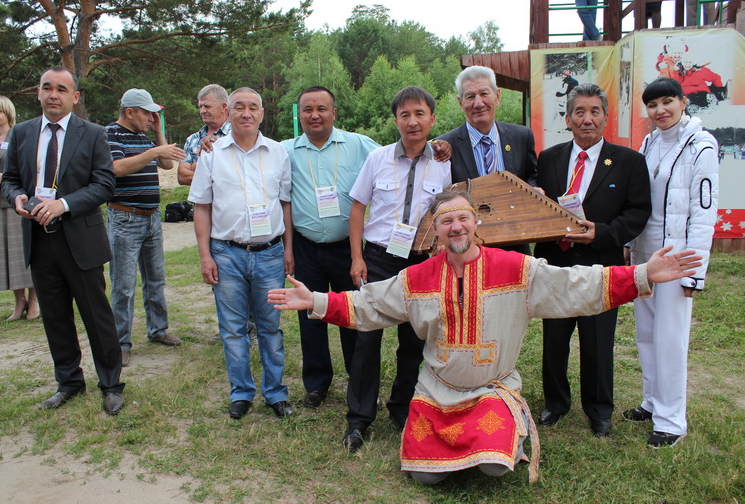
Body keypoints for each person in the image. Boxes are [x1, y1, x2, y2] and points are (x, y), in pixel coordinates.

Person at [268, 191, 701, 485]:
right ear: (434, 230)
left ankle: (489, 439)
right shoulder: (416, 278)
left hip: (492, 390)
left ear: (475, 222)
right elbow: (368, 306)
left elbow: (576, 286)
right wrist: (316, 302)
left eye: (462, 218)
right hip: (437, 391)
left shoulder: (515, 269)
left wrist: (644, 274)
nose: (455, 227)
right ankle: (457, 448)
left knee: (495, 468)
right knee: (424, 476)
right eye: (445, 221)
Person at [1, 66, 124, 415]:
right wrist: (17, 199)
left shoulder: (93, 134)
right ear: (38, 93)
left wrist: (63, 204)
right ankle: (68, 381)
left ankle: (111, 384)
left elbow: (104, 184)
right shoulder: (23, 133)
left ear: (75, 97)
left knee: (96, 316)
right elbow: (10, 180)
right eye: (47, 88)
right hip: (39, 241)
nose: (53, 94)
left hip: (79, 241)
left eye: (61, 89)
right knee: (55, 316)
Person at [534, 83, 651, 437]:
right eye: (580, 112)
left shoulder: (630, 161)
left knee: (598, 340)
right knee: (554, 339)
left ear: (605, 118)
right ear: (567, 119)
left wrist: (599, 232)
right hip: (556, 263)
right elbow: (540, 207)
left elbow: (637, 213)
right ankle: (556, 403)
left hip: (602, 264)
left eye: (594, 112)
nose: (587, 119)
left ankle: (599, 411)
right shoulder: (549, 158)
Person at [343, 86, 451, 452]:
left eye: (420, 113)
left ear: (432, 119)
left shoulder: (444, 161)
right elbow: (358, 207)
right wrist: (357, 257)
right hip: (378, 258)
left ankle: (402, 409)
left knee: (414, 341)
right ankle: (358, 419)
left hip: (423, 261)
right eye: (405, 115)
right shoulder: (376, 158)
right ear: (396, 121)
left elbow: (453, 211)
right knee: (366, 339)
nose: (412, 121)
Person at [624, 77, 719, 448]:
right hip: (647, 253)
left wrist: (693, 273)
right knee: (646, 333)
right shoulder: (649, 142)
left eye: (667, 102)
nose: (660, 110)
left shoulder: (702, 146)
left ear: (682, 102)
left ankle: (671, 421)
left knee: (670, 337)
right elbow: (640, 200)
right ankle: (652, 401)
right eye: (652, 105)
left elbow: (704, 214)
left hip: (677, 257)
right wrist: (632, 246)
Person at [188, 87, 293, 420]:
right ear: (227, 112)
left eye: (253, 108)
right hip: (227, 254)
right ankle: (241, 392)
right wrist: (205, 255)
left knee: (270, 327)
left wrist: (288, 248)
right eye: (238, 108)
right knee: (232, 328)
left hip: (270, 254)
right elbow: (201, 207)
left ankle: (276, 393)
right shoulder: (212, 153)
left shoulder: (278, 153)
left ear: (262, 113)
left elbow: (285, 204)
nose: (246, 113)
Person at [280, 86, 380, 408]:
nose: (315, 115)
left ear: (334, 113)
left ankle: (358, 380)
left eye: (322, 108)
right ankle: (317, 383)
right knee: (310, 316)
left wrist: (438, 146)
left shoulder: (359, 145)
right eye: (307, 109)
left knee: (352, 315)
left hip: (347, 249)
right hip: (306, 247)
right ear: (300, 115)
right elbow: (250, 150)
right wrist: (214, 141)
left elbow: (397, 156)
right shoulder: (285, 151)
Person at [106, 89, 185, 367]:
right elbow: (117, 168)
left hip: (151, 218)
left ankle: (158, 330)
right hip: (125, 219)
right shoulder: (111, 134)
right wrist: (153, 150)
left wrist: (159, 135)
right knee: (124, 285)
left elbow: (166, 163)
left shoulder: (143, 136)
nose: (152, 117)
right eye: (147, 113)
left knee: (156, 278)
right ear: (130, 112)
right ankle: (120, 342)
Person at [438, 65, 538, 254]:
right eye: (470, 96)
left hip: (516, 243)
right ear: (460, 103)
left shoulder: (521, 136)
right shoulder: (445, 145)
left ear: (497, 96)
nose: (478, 103)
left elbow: (532, 176)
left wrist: (533, 191)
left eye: (484, 93)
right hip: (467, 247)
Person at [0, 96, 38, 321]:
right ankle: (19, 301)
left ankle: (34, 301)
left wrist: (3, 178)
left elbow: (28, 169)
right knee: (6, 254)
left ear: (8, 113)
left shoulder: (20, 136)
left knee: (23, 252)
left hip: (17, 203)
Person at [177, 84, 230, 186]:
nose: (202, 111)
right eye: (200, 106)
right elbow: (182, 177)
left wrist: (196, 166)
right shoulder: (192, 139)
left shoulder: (236, 135)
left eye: (207, 106)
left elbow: (237, 175)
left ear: (223, 107)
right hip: (200, 201)